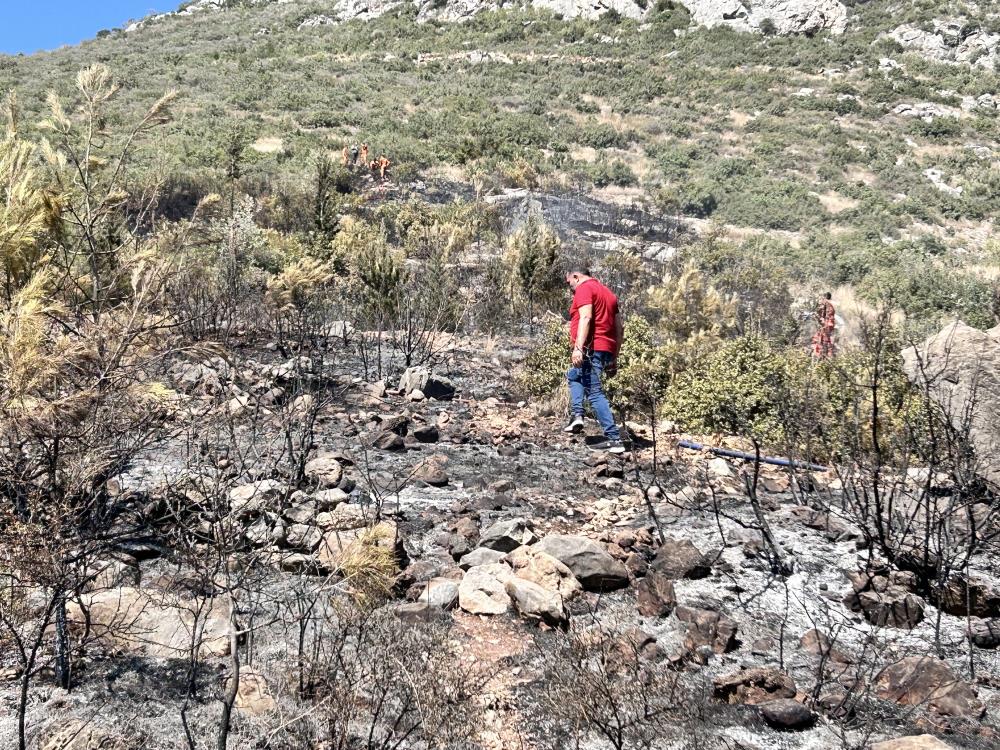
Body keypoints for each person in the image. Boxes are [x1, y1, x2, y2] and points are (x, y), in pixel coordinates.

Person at [563, 266, 626, 454]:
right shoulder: (608, 293)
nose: (570, 287)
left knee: (594, 392)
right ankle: (577, 415)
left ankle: (614, 438)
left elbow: (586, 317)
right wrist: (614, 358)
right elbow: (619, 329)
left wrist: (578, 348)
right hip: (605, 348)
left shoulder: (584, 288)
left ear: (576, 276)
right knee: (574, 376)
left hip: (592, 348)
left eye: (569, 283)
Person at [812, 292, 836, 359]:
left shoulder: (824, 303)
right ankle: (826, 355)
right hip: (829, 324)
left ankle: (822, 356)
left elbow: (820, 314)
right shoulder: (832, 304)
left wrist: (818, 319)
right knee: (827, 340)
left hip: (826, 325)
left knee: (822, 340)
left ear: (824, 297)